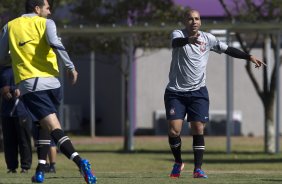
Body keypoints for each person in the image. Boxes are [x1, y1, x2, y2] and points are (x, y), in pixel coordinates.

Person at [0, 0, 96, 183]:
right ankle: (40, 170)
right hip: (54, 84)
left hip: (32, 86)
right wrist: (70, 67)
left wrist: (16, 55)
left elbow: (2, 57)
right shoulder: (47, 24)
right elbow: (56, 44)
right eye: (47, 8)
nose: (50, 12)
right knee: (42, 125)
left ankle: (80, 161)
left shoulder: (10, 26)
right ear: (37, 9)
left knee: (53, 128)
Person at [165, 9, 266, 179]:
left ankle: (198, 169)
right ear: (185, 21)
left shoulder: (208, 39)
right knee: (175, 131)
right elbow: (176, 43)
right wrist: (189, 40)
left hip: (198, 92)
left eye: (197, 19)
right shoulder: (177, 34)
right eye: (190, 19)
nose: (194, 21)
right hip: (176, 92)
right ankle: (178, 162)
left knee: (198, 128)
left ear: (201, 21)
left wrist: (249, 57)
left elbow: (227, 50)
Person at [0, 66, 32, 174]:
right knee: (8, 141)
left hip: (21, 110)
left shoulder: (23, 68)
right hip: (6, 111)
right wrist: (3, 91)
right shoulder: (2, 69)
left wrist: (10, 89)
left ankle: (25, 166)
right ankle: (11, 167)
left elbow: (28, 85)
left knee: (23, 140)